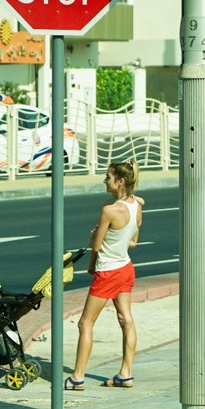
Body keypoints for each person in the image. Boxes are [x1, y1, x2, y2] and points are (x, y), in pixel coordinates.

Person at [66, 160, 144, 390]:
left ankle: (77, 377)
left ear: (119, 181)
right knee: (125, 319)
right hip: (126, 268)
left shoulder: (109, 210)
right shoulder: (137, 205)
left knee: (85, 323)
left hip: (108, 271)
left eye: (107, 177)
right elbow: (133, 242)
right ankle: (126, 373)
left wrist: (92, 257)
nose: (104, 181)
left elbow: (97, 246)